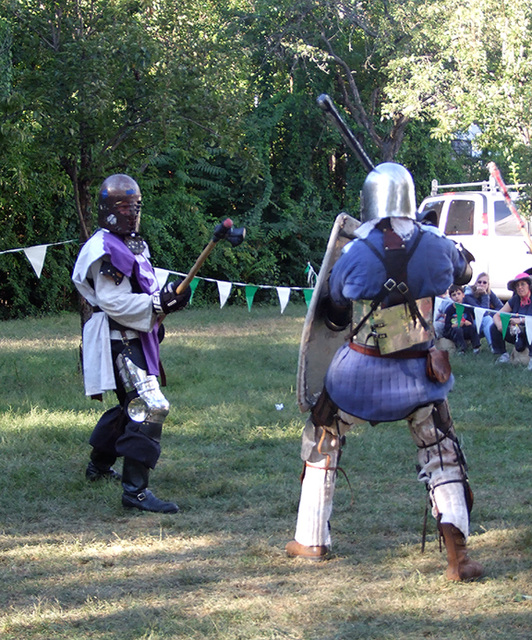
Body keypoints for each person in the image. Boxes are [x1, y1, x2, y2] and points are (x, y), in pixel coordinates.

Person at [286, 163, 483, 582]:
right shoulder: (435, 243)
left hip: (359, 375)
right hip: (419, 373)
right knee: (440, 447)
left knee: (322, 433)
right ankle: (458, 556)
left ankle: (311, 539)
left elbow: (336, 307)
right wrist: (439, 250)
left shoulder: (355, 250)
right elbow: (463, 272)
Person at [72, 174, 191, 513]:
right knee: (149, 406)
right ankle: (135, 492)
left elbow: (143, 288)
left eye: (134, 206)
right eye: (122, 206)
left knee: (131, 406)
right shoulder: (105, 249)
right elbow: (113, 302)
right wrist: (155, 306)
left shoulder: (132, 243)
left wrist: (167, 298)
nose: (130, 213)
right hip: (118, 339)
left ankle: (98, 466)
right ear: (108, 209)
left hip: (133, 334)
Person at [490, 272, 532, 368]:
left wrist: (521, 320)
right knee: (494, 327)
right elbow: (497, 315)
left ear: (529, 286)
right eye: (517, 286)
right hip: (516, 332)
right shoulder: (514, 300)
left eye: (523, 284)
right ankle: (503, 355)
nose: (520, 287)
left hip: (529, 332)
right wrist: (499, 325)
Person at [463, 273, 502, 352]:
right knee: (486, 319)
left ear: (488, 285)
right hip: (469, 325)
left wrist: (491, 315)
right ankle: (494, 347)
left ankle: (494, 347)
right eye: (479, 282)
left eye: (484, 282)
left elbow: (501, 307)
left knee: (488, 319)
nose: (481, 284)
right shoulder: (468, 294)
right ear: (476, 283)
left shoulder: (489, 292)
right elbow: (482, 313)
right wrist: (485, 295)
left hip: (482, 323)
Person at [443, 284, 481, 354]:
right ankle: (461, 349)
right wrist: (456, 325)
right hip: (454, 331)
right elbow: (446, 326)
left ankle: (476, 347)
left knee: (473, 327)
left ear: (463, 295)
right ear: (451, 298)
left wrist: (467, 322)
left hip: (465, 329)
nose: (457, 296)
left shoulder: (467, 308)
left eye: (458, 294)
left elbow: (470, 321)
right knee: (458, 329)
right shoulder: (449, 310)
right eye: (454, 295)